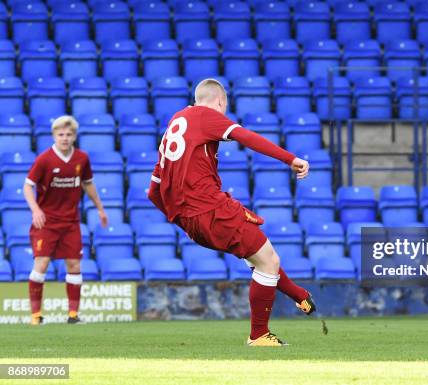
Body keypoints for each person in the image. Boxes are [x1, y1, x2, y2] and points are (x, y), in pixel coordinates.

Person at [148, 78, 316, 347]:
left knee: (262, 257)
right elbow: (246, 137)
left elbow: (154, 192)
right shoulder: (206, 115)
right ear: (220, 102)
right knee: (268, 259)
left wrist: (184, 222)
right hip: (210, 208)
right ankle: (259, 335)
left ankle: (299, 295)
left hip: (192, 219)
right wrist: (291, 159)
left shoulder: (173, 128)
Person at [24, 116, 108, 325]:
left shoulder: (82, 158)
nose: (65, 138)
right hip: (47, 222)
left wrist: (100, 209)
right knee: (41, 263)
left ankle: (73, 315)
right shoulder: (44, 159)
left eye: (69, 134)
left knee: (74, 263)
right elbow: (27, 186)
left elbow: (88, 184)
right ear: (54, 136)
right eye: (60, 134)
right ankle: (36, 316)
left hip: (70, 221)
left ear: (74, 137)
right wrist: (35, 210)